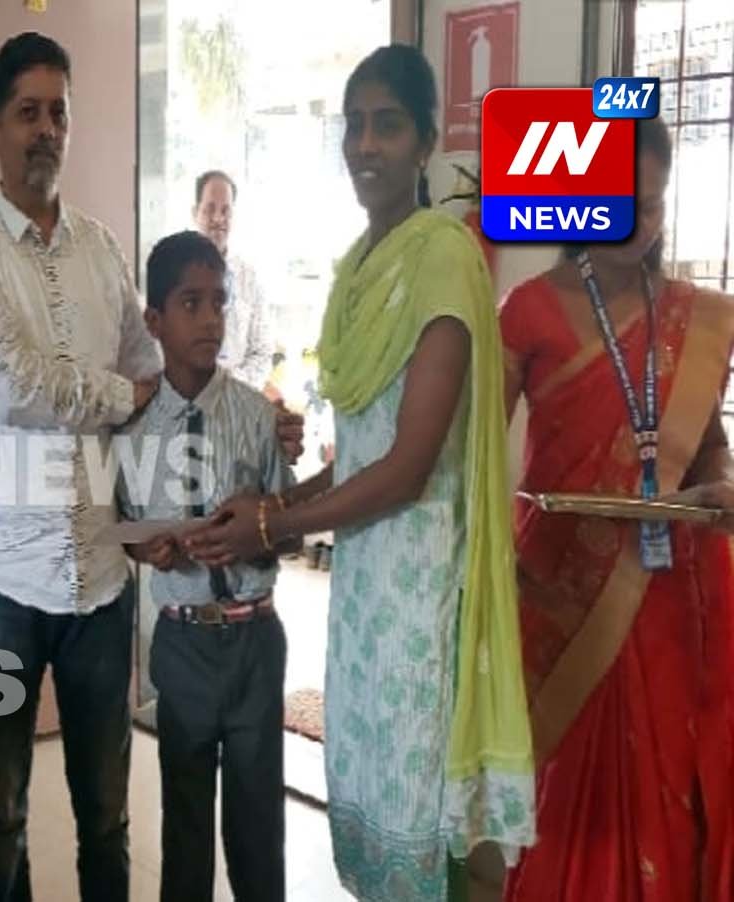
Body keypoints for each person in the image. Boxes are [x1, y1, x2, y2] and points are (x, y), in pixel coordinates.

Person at [183, 45, 535, 899]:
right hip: (365, 591)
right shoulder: (360, 270)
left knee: (414, 812)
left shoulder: (443, 259)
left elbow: (409, 469)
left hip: (421, 591)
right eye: (355, 125)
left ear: (425, 143)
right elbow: (360, 457)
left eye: (388, 125)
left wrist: (273, 524)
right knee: (368, 801)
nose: (366, 146)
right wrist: (273, 501)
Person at [0, 31, 163, 902]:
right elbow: (11, 384)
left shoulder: (101, 249)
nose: (45, 130)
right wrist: (116, 396)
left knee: (106, 814)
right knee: (0, 812)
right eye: (27, 112)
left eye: (57, 113)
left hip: (102, 580)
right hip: (2, 582)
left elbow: (149, 368)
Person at [500, 115, 734, 901]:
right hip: (562, 591)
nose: (639, 220)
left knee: (670, 794)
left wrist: (719, 487)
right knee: (571, 797)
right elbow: (474, 462)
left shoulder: (693, 317)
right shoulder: (527, 311)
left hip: (671, 595)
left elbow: (709, 447)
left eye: (654, 203)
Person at [118, 231, 295, 902]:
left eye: (219, 302)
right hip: (182, 641)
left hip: (254, 640)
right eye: (190, 303)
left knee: (257, 824)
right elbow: (124, 524)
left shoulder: (256, 417)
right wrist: (146, 548)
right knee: (185, 821)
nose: (210, 319)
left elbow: (288, 529)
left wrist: (259, 536)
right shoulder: (134, 430)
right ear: (154, 320)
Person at [192, 170, 273, 390]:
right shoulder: (172, 275)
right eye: (210, 209)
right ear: (195, 213)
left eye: (225, 211)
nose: (218, 218)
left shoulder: (249, 279)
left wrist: (231, 387)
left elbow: (263, 352)